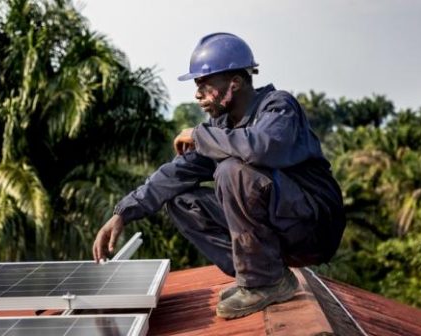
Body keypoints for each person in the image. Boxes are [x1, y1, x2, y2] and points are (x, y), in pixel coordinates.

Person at [92, 32, 345, 320]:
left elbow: (261, 148)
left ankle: (264, 282)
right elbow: (176, 173)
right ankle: (261, 276)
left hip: (314, 228)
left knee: (231, 170)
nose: (198, 94)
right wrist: (123, 213)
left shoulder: (278, 107)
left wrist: (199, 135)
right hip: (283, 228)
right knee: (180, 198)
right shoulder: (220, 127)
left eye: (205, 84)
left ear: (234, 83)